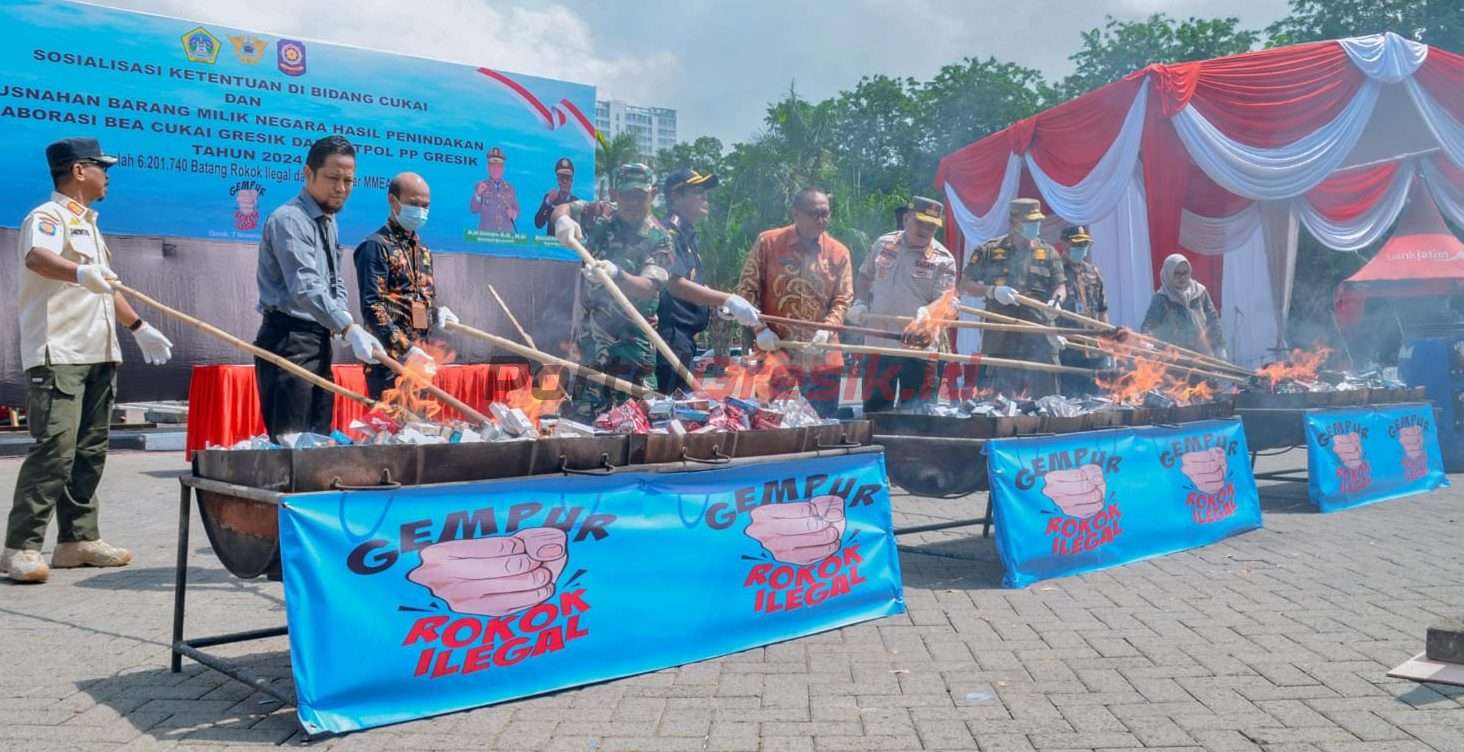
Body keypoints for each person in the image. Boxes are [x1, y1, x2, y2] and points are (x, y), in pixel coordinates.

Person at [3, 137, 174, 583]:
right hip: (59, 353)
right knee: (54, 451)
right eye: (102, 167)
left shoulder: (90, 225)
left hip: (99, 351)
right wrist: (80, 271)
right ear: (79, 171)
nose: (108, 175)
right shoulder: (46, 217)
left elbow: (105, 288)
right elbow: (38, 258)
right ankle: (20, 546)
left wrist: (139, 329)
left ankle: (76, 540)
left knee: (90, 452)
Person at [255, 135, 386, 441]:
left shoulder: (328, 220)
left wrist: (343, 321)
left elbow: (334, 280)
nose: (341, 188)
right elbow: (305, 287)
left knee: (317, 439)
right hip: (288, 340)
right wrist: (348, 327)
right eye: (332, 178)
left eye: (348, 180)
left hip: (318, 339)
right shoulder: (289, 220)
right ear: (308, 173)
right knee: (291, 443)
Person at [552, 163, 674, 418]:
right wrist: (561, 219)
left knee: (634, 421)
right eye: (627, 195)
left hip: (632, 349)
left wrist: (617, 275)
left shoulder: (660, 239)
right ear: (615, 194)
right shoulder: (599, 214)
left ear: (652, 195)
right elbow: (562, 208)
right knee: (583, 418)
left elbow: (648, 287)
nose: (632, 202)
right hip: (590, 344)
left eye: (640, 196)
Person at [735, 189, 854, 418]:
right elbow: (746, 290)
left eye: (825, 214)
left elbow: (843, 298)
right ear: (795, 214)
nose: (821, 220)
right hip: (774, 350)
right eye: (814, 214)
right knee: (771, 421)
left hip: (822, 356)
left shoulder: (839, 253)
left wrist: (826, 330)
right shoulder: (768, 242)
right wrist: (760, 329)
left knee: (824, 422)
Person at [353, 172, 459, 399]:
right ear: (393, 201)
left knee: (420, 429)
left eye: (425, 205)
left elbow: (422, 300)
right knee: (391, 429)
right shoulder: (375, 246)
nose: (420, 210)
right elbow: (372, 306)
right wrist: (406, 349)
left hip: (422, 360)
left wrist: (438, 312)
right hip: (388, 362)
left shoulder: (423, 252)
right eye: (413, 204)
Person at [655, 167, 760, 393]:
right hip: (670, 335)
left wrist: (716, 302)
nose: (705, 197)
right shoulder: (669, 234)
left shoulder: (687, 235)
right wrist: (727, 298)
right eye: (698, 191)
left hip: (682, 338)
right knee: (668, 409)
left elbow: (691, 282)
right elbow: (673, 283)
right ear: (675, 196)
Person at [847, 196, 956, 412]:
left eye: (932, 226)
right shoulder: (884, 244)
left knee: (915, 417)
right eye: (921, 222)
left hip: (918, 350)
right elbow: (865, 276)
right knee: (875, 412)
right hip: (879, 344)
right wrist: (859, 302)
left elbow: (945, 301)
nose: (925, 230)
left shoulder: (944, 259)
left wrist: (928, 314)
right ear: (906, 218)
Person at [959, 198, 1066, 397]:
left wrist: (1056, 301)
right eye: (1029, 221)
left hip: (1039, 332)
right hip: (1003, 335)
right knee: (1004, 400)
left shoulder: (1048, 252)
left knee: (1048, 398)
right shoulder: (989, 250)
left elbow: (1060, 286)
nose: (1035, 225)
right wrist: (991, 291)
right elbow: (965, 285)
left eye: (1037, 221)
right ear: (1013, 221)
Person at [1142, 253, 1226, 359]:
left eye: (1185, 273)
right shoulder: (1161, 298)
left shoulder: (1200, 292)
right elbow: (1149, 325)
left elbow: (1213, 321)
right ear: (1168, 273)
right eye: (1177, 273)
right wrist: (1146, 342)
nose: (1182, 277)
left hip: (1202, 355)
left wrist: (1219, 346)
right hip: (1174, 358)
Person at [1056, 225, 1108, 395]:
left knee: (1097, 402)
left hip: (1094, 351)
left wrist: (1107, 341)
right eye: (1076, 244)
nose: (1081, 249)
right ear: (1064, 244)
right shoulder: (1055, 271)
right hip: (1068, 350)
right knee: (1071, 404)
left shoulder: (1093, 272)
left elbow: (1102, 310)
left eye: (1084, 244)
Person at [471, 146, 519, 233]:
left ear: (503, 169)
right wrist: (478, 194)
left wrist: (514, 213)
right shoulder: (481, 186)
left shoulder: (510, 187)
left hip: (506, 237)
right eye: (493, 166)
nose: (496, 169)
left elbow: (516, 208)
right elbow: (474, 209)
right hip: (486, 237)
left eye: (499, 166)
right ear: (488, 168)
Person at [532, 158, 579, 237]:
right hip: (551, 246)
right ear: (558, 180)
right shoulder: (549, 198)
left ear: (571, 181)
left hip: (568, 247)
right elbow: (538, 224)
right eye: (561, 178)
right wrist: (547, 203)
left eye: (567, 178)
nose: (564, 182)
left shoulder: (576, 202)